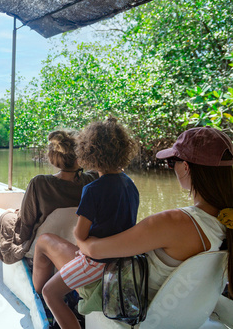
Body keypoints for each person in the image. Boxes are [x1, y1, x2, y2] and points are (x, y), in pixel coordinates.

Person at [77, 126, 232, 304]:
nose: (172, 168)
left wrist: (79, 240)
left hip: (129, 304)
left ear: (186, 168)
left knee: (49, 242)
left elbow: (94, 250)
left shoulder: (172, 223)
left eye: (172, 162)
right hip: (181, 311)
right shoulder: (225, 220)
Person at [32, 117, 140, 329]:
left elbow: (80, 236)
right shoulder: (130, 184)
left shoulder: (93, 190)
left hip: (96, 264)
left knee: (49, 293)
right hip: (121, 262)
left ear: (88, 152)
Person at [0, 129, 98, 264]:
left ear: (52, 157)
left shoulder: (40, 183)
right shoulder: (93, 181)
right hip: (73, 243)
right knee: (8, 214)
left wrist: (12, 219)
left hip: (39, 245)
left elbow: (26, 224)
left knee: (1, 214)